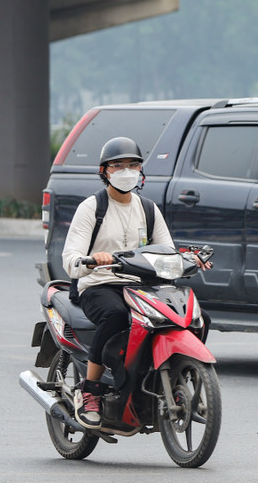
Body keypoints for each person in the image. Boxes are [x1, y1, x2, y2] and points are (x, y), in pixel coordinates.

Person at [61, 136, 193, 430]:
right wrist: (92, 259)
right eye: (118, 165)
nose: (126, 170)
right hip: (98, 284)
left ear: (141, 171)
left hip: (141, 286)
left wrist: (188, 260)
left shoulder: (148, 209)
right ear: (104, 171)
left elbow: (166, 250)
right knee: (117, 315)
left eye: (133, 164)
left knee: (194, 318)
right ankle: (90, 390)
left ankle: (175, 375)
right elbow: (71, 256)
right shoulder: (91, 208)